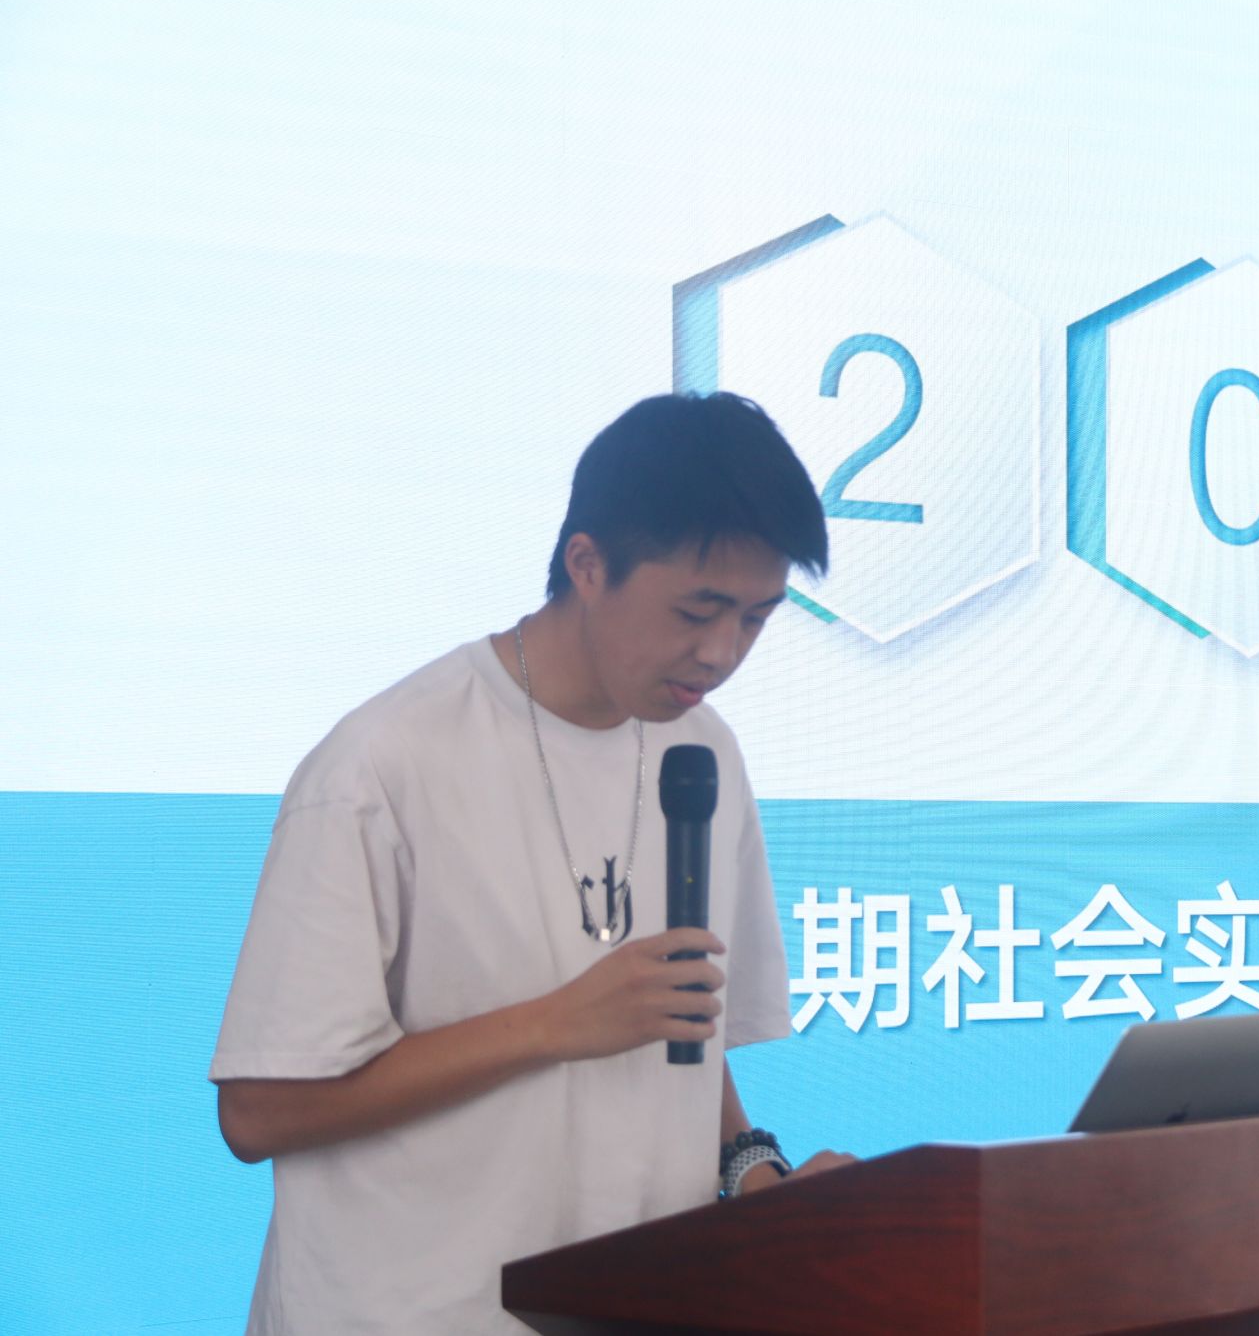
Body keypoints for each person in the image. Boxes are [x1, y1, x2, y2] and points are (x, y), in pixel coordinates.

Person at [209, 393, 853, 1333]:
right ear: (586, 564)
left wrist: (755, 1173)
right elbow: (259, 1111)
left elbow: (683, 1029)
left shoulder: (702, 751)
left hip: (635, 1304)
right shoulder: (383, 763)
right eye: (697, 610)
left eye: (756, 619)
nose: (721, 653)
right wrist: (556, 1023)